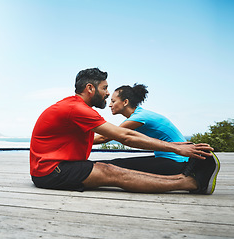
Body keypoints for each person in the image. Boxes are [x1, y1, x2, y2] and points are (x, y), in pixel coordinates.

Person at [30, 68, 220, 194]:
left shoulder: (77, 108)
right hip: (51, 171)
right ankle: (188, 183)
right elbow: (125, 136)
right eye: (104, 88)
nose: (107, 94)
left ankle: (182, 178)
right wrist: (177, 149)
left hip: (57, 167)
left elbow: (121, 135)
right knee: (111, 171)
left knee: (111, 167)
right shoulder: (77, 109)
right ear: (90, 88)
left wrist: (173, 145)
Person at [93, 83, 189, 175]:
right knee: (116, 164)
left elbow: (106, 137)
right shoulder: (139, 115)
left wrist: (81, 142)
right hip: (175, 160)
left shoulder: (139, 117)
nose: (110, 105)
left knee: (112, 165)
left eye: (113, 101)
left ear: (125, 102)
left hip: (177, 162)